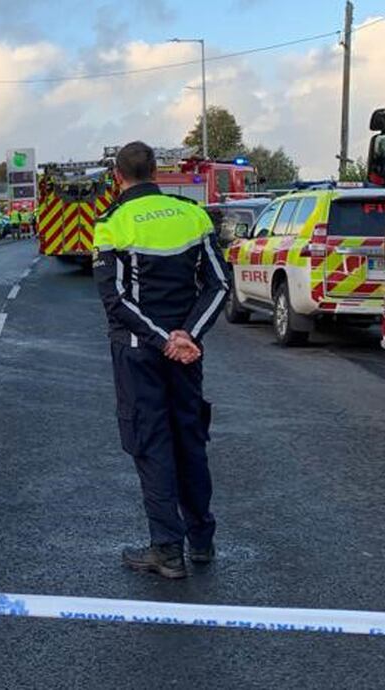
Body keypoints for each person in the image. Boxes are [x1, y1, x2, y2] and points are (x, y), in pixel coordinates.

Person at [92, 141, 230, 579]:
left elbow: (114, 299)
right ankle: (202, 539)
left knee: (151, 442)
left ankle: (167, 550)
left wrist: (160, 339)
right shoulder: (192, 216)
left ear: (118, 176)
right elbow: (219, 284)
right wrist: (188, 335)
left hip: (139, 353)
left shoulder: (111, 224)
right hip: (187, 353)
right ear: (157, 171)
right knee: (189, 437)